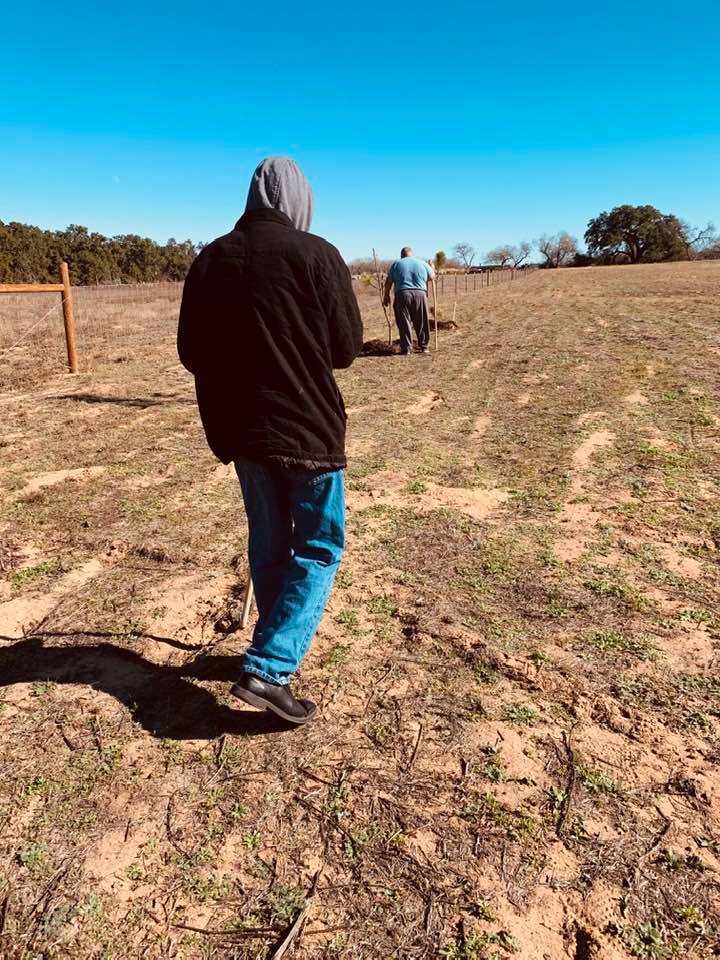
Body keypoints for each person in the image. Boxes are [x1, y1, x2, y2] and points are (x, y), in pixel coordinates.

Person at [178, 157, 363, 725]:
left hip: (242, 430)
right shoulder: (318, 255)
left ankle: (269, 646)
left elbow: (190, 352)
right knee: (320, 546)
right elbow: (345, 349)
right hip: (307, 428)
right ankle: (270, 667)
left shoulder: (210, 259)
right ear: (299, 202)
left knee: (269, 540)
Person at [383, 247, 435, 355]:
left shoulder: (396, 264)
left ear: (401, 255)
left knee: (404, 321)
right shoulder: (422, 263)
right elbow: (432, 277)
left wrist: (386, 295)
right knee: (421, 320)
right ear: (412, 254)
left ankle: (407, 348)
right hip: (420, 294)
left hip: (402, 294)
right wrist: (432, 268)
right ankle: (424, 346)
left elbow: (389, 281)